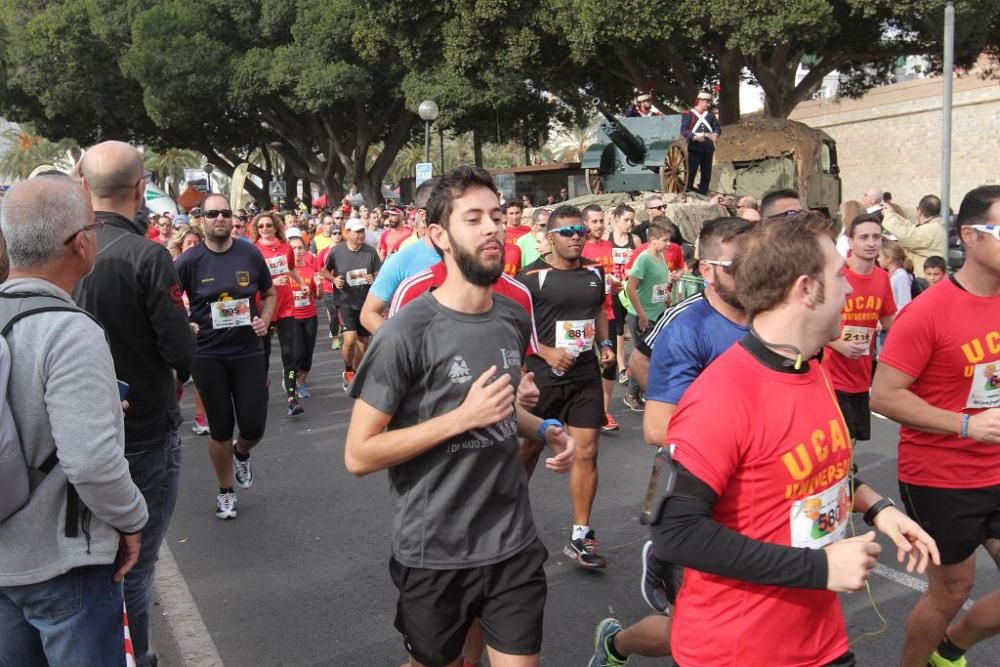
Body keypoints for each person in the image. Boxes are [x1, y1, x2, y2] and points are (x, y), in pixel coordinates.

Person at [650, 212, 938, 667]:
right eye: (839, 276)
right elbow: (674, 533)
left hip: (819, 639)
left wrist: (877, 508)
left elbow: (822, 468)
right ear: (805, 289)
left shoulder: (812, 370)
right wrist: (821, 569)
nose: (850, 289)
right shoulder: (722, 395)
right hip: (740, 651)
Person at [344, 165, 575, 667]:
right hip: (435, 551)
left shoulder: (512, 315)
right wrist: (459, 418)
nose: (492, 227)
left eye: (496, 216)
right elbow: (360, 454)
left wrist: (547, 429)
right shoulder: (405, 332)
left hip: (512, 541)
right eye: (473, 219)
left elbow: (500, 411)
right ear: (439, 236)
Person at [588, 216, 753, 667]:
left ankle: (660, 560)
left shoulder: (773, 315)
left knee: (743, 626)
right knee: (696, 635)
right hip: (693, 482)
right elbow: (642, 371)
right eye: (739, 264)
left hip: (756, 490)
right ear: (708, 269)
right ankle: (618, 641)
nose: (754, 273)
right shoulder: (687, 320)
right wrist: (683, 406)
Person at [0, 175, 148, 665]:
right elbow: (90, 461)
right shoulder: (69, 331)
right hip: (62, 561)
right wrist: (131, 520)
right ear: (81, 244)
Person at [72, 141, 195, 667]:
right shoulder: (146, 256)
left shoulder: (59, 253)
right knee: (136, 564)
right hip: (142, 430)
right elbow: (179, 349)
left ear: (83, 187)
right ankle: (134, 656)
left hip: (71, 431)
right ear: (142, 188)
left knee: (87, 562)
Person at [871, 185, 1000, 667]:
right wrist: (966, 427)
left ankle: (950, 650)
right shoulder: (927, 312)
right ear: (969, 236)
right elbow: (884, 395)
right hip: (942, 477)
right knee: (952, 588)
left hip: (997, 469)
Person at [518, 206, 615, 569]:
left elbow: (600, 313)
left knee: (587, 453)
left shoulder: (594, 271)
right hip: (543, 379)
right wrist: (546, 352)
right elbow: (517, 325)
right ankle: (510, 518)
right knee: (529, 448)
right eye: (568, 231)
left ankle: (580, 536)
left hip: (585, 376)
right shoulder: (531, 278)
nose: (576, 236)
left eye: (581, 231)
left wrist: (604, 345)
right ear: (550, 237)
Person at [175, 194, 277, 520]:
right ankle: (225, 491)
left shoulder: (249, 252)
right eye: (212, 213)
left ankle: (241, 452)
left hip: (248, 350)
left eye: (225, 213)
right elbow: (167, 300)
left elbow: (271, 293)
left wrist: (266, 318)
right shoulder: (189, 261)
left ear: (233, 218)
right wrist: (184, 322)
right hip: (207, 354)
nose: (219, 218)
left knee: (253, 424)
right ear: (201, 220)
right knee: (219, 427)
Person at [822, 213, 896, 446]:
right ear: (851, 242)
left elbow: (889, 321)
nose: (871, 243)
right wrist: (838, 343)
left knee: (852, 444)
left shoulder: (882, 278)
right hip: (831, 374)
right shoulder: (836, 275)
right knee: (839, 443)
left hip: (861, 375)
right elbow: (810, 321)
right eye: (864, 237)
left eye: (876, 237)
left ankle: (849, 482)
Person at [250, 212, 306, 416]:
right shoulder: (253, 250)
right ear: (257, 229)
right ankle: (262, 384)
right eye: (261, 226)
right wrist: (271, 283)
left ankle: (292, 396)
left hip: (286, 306)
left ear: (275, 228)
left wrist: (301, 284)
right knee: (263, 355)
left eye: (268, 225)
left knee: (290, 353)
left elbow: (290, 269)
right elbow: (250, 279)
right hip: (264, 306)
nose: (265, 229)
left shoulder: (285, 247)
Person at [323, 218, 381, 391]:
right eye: (356, 232)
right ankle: (348, 370)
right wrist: (334, 279)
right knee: (350, 339)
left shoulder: (370, 252)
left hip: (365, 302)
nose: (360, 235)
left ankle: (356, 371)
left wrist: (374, 278)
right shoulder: (336, 252)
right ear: (347, 233)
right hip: (345, 301)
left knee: (363, 342)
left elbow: (379, 272)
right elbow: (324, 270)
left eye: (362, 231)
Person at [580, 204, 621, 431]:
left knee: (609, 362)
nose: (599, 225)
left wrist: (612, 283)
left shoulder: (607, 245)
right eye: (594, 221)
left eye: (601, 221)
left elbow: (605, 276)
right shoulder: (580, 247)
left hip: (608, 311)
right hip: (586, 315)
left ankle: (605, 412)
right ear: (585, 223)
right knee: (583, 363)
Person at [608, 204, 640, 381]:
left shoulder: (634, 240)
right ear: (616, 218)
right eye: (626, 219)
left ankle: (637, 363)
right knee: (619, 328)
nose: (630, 223)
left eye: (632, 220)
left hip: (630, 289)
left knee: (635, 326)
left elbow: (640, 262)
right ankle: (621, 366)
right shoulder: (608, 238)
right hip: (614, 290)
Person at [287, 230, 320, 398]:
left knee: (307, 354)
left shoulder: (311, 269)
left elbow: (318, 296)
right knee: (297, 353)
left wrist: (318, 285)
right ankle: (292, 383)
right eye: (293, 248)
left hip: (310, 316)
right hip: (291, 318)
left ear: (305, 250)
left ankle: (301, 382)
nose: (297, 251)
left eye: (300, 248)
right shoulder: (284, 271)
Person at [880, 195, 947, 275]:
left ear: (919, 211)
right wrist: (892, 214)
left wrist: (889, 216)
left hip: (927, 279)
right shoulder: (934, 226)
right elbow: (910, 227)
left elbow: (906, 235)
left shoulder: (932, 229)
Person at [680, 92, 721, 196]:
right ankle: (688, 189)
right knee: (691, 170)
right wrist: (694, 137)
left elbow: (717, 127)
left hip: (708, 146)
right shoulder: (689, 114)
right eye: (706, 102)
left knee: (707, 172)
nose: (708, 104)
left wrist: (715, 134)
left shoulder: (711, 115)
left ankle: (703, 191)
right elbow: (684, 129)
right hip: (695, 146)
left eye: (708, 102)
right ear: (700, 101)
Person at [316, 220, 344, 349]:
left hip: (345, 288)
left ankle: (344, 335)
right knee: (333, 313)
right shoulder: (323, 252)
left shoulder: (347, 250)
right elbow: (320, 270)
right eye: (334, 233)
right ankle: (335, 338)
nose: (337, 235)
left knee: (344, 313)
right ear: (330, 235)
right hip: (329, 288)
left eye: (339, 233)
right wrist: (331, 279)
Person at [879, 240, 914, 311]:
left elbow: (904, 304)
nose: (878, 259)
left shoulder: (901, 276)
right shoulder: (890, 275)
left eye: (880, 256)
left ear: (889, 259)